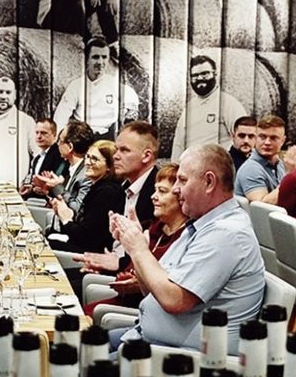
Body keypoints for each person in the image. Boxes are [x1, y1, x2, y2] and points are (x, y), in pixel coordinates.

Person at [115, 144, 265, 352]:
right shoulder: (200, 224)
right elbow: (151, 288)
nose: (176, 188)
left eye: (182, 180)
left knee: (73, 361)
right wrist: (135, 246)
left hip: (176, 359)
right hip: (149, 339)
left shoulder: (226, 234)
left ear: (209, 182)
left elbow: (174, 300)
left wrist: (139, 250)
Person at [77, 161, 189, 312]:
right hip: (123, 301)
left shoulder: (185, 237)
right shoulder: (155, 228)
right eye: (155, 190)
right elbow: (128, 272)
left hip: (142, 311)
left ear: (180, 197)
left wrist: (139, 282)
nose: (153, 197)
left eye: (162, 191)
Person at [52, 37, 140, 138]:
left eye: (104, 57)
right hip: (84, 137)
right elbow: (61, 116)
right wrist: (59, 140)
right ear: (86, 59)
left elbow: (132, 102)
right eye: (95, 57)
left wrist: (127, 114)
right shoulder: (76, 86)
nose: (100, 62)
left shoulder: (115, 85)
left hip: (110, 136)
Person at [47, 139, 124, 253]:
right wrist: (64, 212)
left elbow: (85, 238)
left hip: (92, 254)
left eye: (94, 159)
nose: (87, 163)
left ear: (109, 166)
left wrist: (66, 219)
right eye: (87, 157)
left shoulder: (107, 192)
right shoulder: (97, 187)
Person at [172, 56, 249, 152]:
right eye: (195, 75)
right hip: (190, 165)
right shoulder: (189, 107)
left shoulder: (229, 104)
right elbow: (178, 143)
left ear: (215, 74)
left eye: (205, 74)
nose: (200, 78)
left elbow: (244, 139)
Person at [113, 120, 159, 230]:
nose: (115, 156)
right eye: (116, 149)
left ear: (147, 156)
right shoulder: (120, 190)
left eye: (124, 150)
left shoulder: (161, 192)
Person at [234, 112, 287, 202]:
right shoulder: (250, 169)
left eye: (273, 138)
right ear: (256, 138)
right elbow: (261, 208)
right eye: (262, 137)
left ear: (283, 141)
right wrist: (290, 177)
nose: (267, 142)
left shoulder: (279, 163)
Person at [21, 117, 66, 200]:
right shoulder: (37, 158)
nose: (39, 136)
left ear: (54, 135)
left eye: (43, 133)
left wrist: (46, 190)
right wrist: (30, 189)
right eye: (37, 133)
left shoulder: (61, 156)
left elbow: (62, 186)